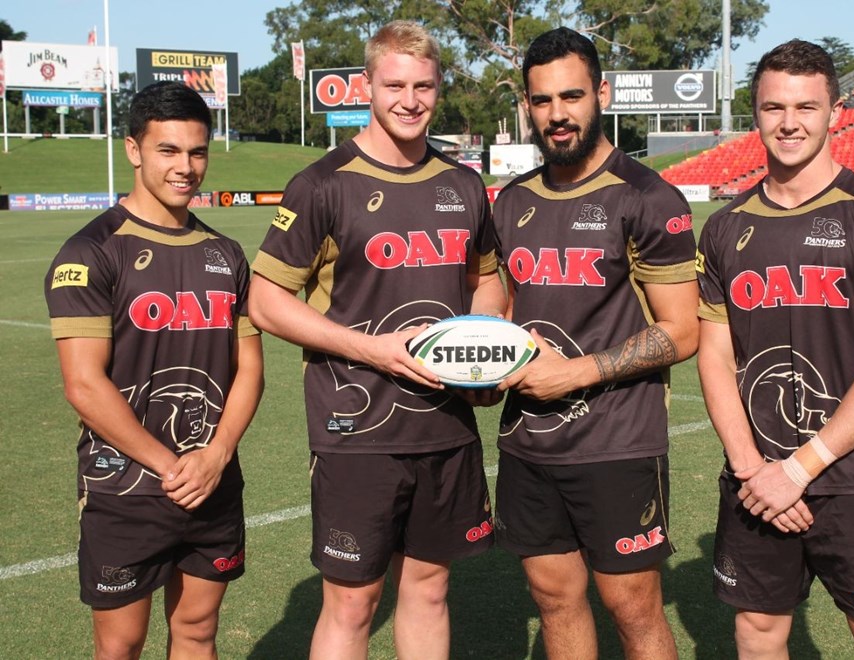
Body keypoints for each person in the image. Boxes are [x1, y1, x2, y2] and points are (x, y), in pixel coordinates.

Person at [248, 20, 504, 660]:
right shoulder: (322, 184)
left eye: (424, 87)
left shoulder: (463, 184)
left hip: (446, 426)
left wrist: (483, 352)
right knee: (353, 603)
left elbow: (488, 283)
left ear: (439, 88)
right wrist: (376, 349)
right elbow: (266, 301)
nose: (410, 101)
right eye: (395, 86)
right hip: (355, 431)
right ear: (366, 86)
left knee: (430, 591)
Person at [695, 39, 854, 659]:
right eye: (774, 107)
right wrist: (754, 471)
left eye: (806, 106)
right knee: (757, 631)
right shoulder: (724, 227)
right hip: (755, 477)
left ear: (835, 111)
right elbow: (714, 357)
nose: (789, 122)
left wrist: (796, 472)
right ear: (755, 112)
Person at [491, 27, 700, 660]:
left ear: (602, 94)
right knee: (553, 598)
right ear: (528, 106)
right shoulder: (512, 201)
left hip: (617, 441)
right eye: (542, 100)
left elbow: (682, 330)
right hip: (527, 439)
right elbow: (506, 310)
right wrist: (481, 366)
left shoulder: (648, 197)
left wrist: (574, 373)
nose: (557, 114)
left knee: (632, 606)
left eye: (572, 96)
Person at [44, 81, 264, 659]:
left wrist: (215, 456)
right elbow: (83, 384)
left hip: (212, 481)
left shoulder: (226, 254)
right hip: (127, 487)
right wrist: (171, 466)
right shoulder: (91, 251)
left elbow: (250, 369)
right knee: (121, 645)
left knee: (198, 630)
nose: (185, 167)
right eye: (168, 150)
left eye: (197, 152)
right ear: (134, 149)